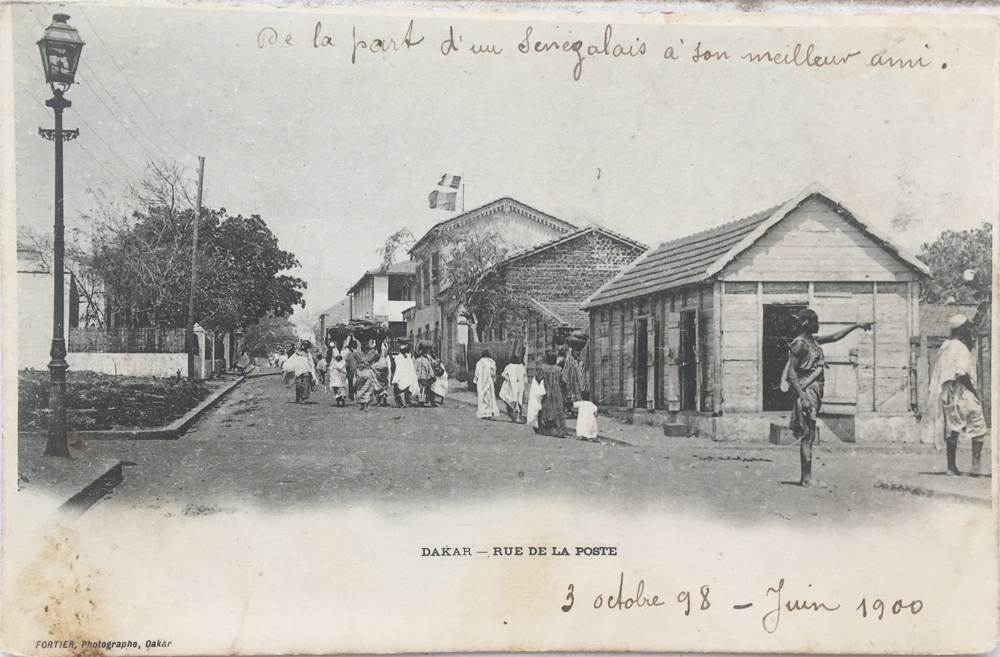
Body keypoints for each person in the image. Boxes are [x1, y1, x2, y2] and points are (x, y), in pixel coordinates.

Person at [787, 308, 871, 487]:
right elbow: (791, 373)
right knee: (807, 434)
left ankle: (806, 477)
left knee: (809, 434)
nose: (818, 325)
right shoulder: (800, 344)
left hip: (814, 391)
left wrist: (856, 326)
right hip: (807, 391)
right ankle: (807, 478)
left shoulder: (813, 341)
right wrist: (803, 396)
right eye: (815, 321)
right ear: (806, 324)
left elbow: (834, 337)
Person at [921, 314, 988, 475]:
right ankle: (976, 465)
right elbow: (961, 374)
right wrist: (974, 392)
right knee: (978, 425)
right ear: (961, 329)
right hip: (962, 391)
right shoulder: (960, 348)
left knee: (953, 428)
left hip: (947, 393)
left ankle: (951, 467)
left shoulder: (945, 346)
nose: (969, 330)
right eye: (967, 327)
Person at [535, 350, 567, 436]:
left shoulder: (543, 368)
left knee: (546, 409)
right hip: (557, 392)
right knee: (558, 409)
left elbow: (538, 378)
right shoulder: (559, 369)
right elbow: (563, 381)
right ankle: (559, 430)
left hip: (546, 392)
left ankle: (545, 429)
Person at [353, 338, 380, 411]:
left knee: (362, 389)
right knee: (367, 389)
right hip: (365, 372)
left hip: (362, 372)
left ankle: (364, 405)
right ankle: (365, 405)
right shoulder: (372, 353)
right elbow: (377, 358)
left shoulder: (358, 353)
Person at [499, 353, 527, 423]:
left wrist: (508, 378)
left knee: (510, 401)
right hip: (520, 385)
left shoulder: (509, 367)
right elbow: (525, 378)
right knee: (520, 400)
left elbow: (503, 374)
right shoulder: (521, 367)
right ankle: (518, 417)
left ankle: (515, 417)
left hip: (511, 386)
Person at [474, 349, 500, 419]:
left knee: (482, 397)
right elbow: (494, 372)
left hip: (481, 382)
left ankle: (483, 413)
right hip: (489, 381)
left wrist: (476, 380)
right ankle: (489, 412)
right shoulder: (491, 362)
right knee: (489, 397)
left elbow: (477, 373)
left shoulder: (479, 363)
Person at [392, 342, 418, 408]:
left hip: (400, 376)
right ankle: (405, 402)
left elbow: (395, 367)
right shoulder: (408, 358)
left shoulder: (398, 358)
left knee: (399, 390)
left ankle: (402, 403)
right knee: (404, 389)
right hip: (406, 376)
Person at [562, 348, 584, 415]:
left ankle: (575, 411)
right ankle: (572, 410)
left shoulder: (575, 362)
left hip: (574, 381)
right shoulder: (570, 360)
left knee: (575, 395)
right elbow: (567, 370)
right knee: (571, 395)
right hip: (572, 381)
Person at [371, 342, 392, 407]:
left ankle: (379, 401)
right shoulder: (385, 347)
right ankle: (385, 401)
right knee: (384, 382)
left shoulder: (375, 350)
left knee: (376, 382)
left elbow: (374, 358)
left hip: (377, 366)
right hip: (384, 365)